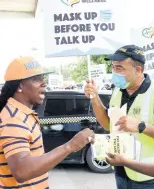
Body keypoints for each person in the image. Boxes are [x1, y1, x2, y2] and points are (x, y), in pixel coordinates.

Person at [84, 45, 154, 189]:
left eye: (120, 68)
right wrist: (94, 97)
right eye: (113, 67)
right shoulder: (118, 91)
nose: (114, 72)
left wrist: (141, 127)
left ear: (138, 70)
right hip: (122, 172)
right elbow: (108, 124)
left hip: (150, 178)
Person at [0, 57, 95, 189]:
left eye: (43, 78)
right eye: (36, 79)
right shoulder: (13, 119)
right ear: (20, 86)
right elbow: (21, 171)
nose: (44, 83)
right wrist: (70, 146)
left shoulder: (22, 113)